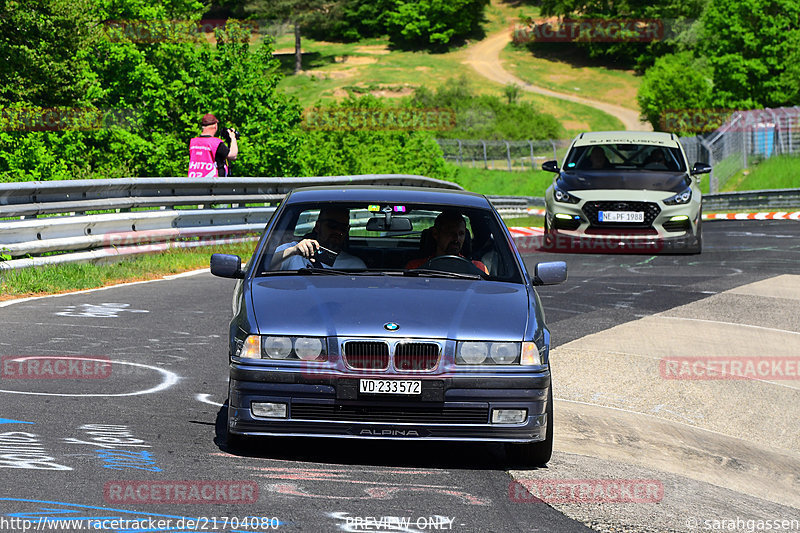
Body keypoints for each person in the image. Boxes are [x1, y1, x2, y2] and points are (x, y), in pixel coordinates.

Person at [271, 207, 366, 270]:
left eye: (343, 228)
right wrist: (293, 251)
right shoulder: (292, 251)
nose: (338, 232)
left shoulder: (356, 265)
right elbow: (264, 266)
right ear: (317, 226)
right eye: (332, 226)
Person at [406, 211, 488, 274]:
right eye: (450, 233)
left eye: (461, 234)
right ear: (436, 234)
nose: (456, 239)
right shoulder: (415, 268)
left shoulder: (478, 268)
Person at [187, 113, 238, 178]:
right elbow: (233, 155)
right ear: (215, 126)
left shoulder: (193, 142)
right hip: (213, 183)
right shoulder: (215, 143)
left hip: (194, 181)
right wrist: (233, 137)